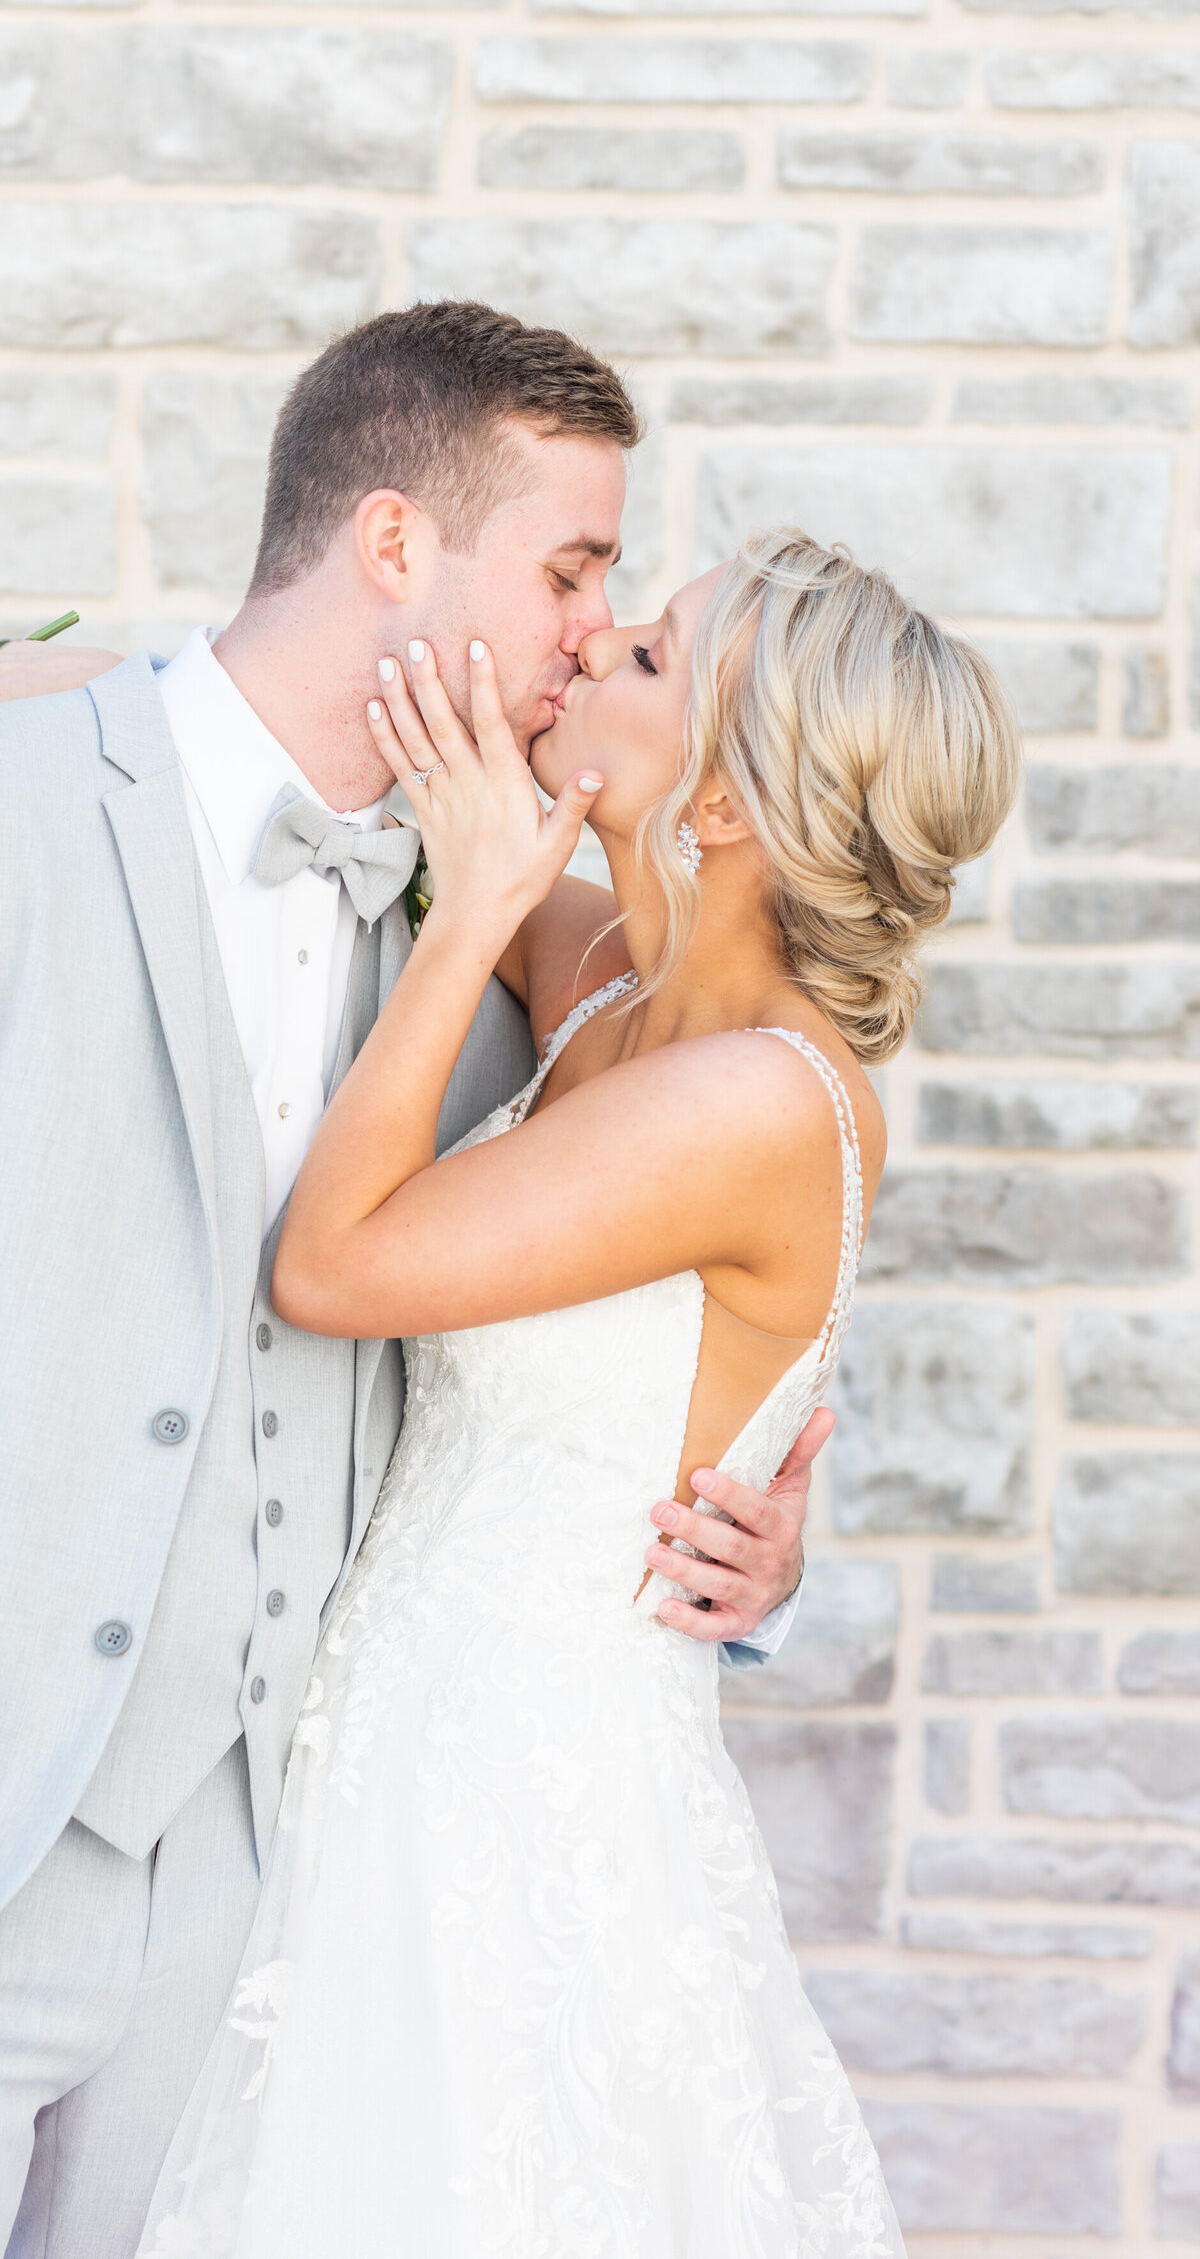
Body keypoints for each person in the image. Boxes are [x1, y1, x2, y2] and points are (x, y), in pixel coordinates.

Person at [0, 304, 816, 2258]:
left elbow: (628, 1310)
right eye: (571, 567)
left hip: (264, 1909)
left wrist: (751, 1536)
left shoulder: (488, 927)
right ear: (397, 547)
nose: (593, 633)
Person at [139, 531, 1021, 2258]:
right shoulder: (606, 967)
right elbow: (330, 757)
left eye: (644, 656)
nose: (594, 637)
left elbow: (332, 1267)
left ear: (720, 807)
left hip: (530, 1810)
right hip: (381, 1755)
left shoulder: (762, 1100)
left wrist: (468, 914)